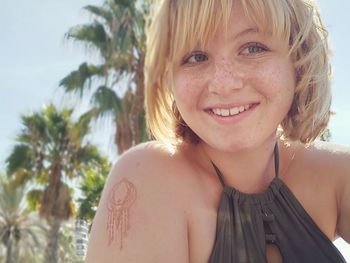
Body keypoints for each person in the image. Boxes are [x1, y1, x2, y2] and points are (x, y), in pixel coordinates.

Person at [86, 0, 350, 262]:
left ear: (299, 60)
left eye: (252, 48)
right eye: (196, 57)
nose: (224, 84)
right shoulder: (145, 178)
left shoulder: (338, 175)